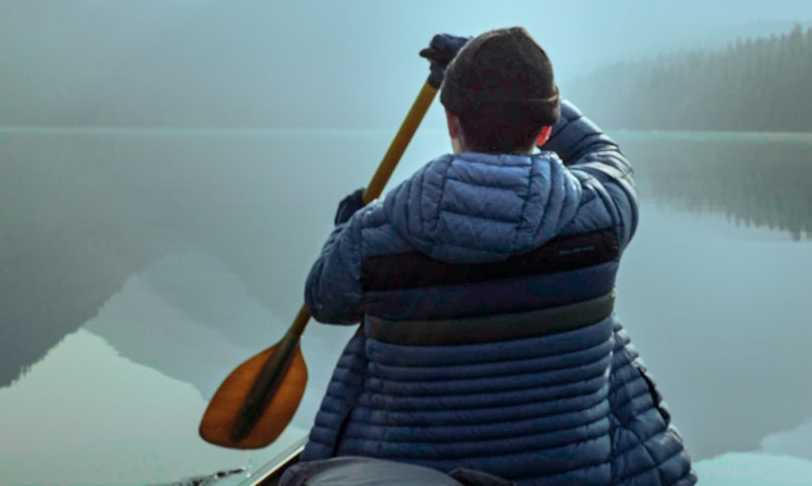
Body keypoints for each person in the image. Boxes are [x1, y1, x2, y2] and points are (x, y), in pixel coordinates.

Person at [294, 28, 695, 486]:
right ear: (547, 129)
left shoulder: (374, 233)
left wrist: (345, 225)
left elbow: (324, 300)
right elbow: (601, 151)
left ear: (451, 121)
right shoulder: (604, 213)